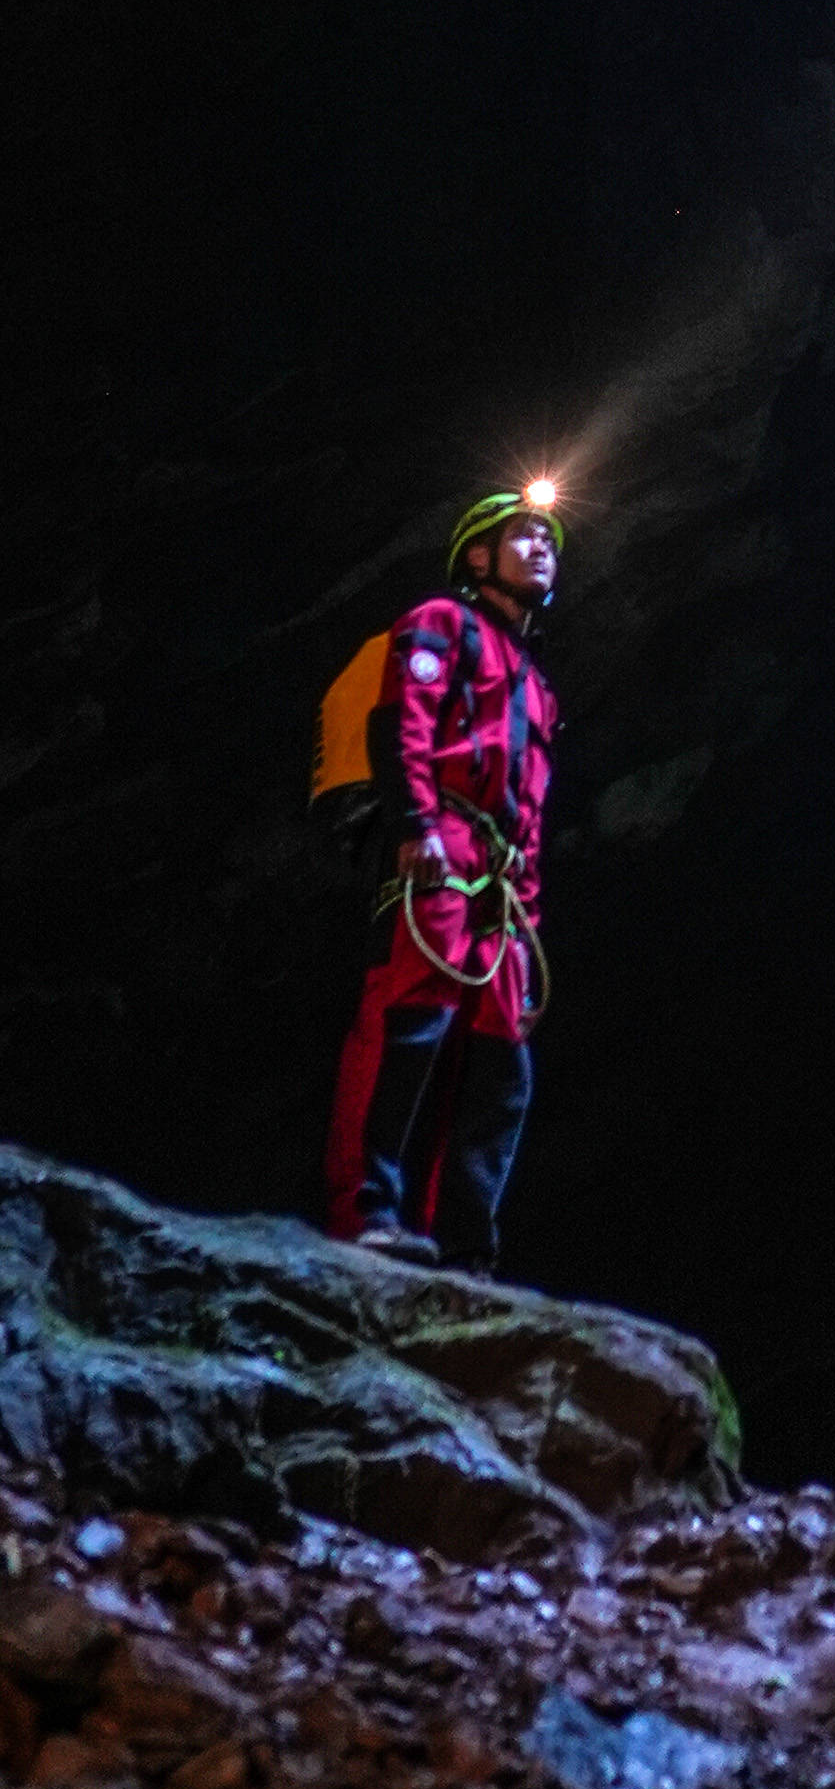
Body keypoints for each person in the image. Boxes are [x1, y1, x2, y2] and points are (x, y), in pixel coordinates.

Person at [320, 481, 562, 1269]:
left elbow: (528, 807)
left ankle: (465, 1250)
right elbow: (404, 722)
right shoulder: (442, 624)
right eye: (524, 536)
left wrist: (527, 929)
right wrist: (416, 824)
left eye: (549, 541)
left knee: (499, 1069)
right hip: (442, 842)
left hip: (499, 881)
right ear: (479, 555)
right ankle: (367, 1215)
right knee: (407, 1026)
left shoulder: (536, 684)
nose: (542, 549)